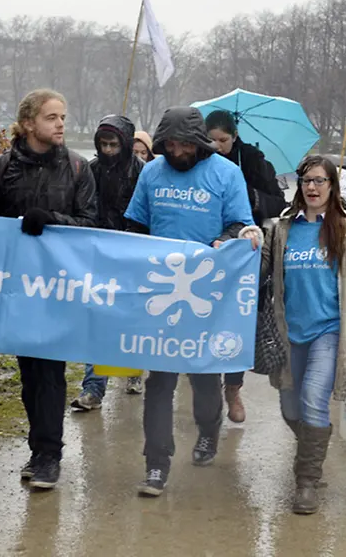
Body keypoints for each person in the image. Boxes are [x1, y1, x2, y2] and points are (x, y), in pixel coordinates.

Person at [125, 106, 260, 497]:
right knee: (159, 382)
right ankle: (156, 463)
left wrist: (227, 238)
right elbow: (135, 225)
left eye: (184, 144)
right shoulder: (152, 172)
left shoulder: (226, 173)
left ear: (199, 142)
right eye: (169, 145)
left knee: (203, 379)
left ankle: (209, 428)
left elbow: (240, 223)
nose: (176, 151)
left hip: (207, 292)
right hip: (160, 292)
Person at [0, 89, 98, 489]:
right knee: (29, 373)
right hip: (16, 285)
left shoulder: (77, 168)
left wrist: (52, 219)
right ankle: (38, 448)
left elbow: (92, 224)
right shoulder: (3, 165)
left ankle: (49, 454)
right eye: (51, 117)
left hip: (58, 286)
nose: (61, 124)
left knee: (50, 371)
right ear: (28, 123)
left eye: (62, 116)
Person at [264, 155, 346, 514]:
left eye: (320, 181)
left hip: (329, 331)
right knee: (290, 408)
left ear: (333, 186)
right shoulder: (282, 228)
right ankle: (312, 452)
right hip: (290, 332)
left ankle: (306, 482)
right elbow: (261, 268)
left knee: (314, 399)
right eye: (306, 181)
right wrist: (247, 238)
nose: (312, 187)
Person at [204, 110, 287, 424]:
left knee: (239, 319)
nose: (217, 146)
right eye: (211, 140)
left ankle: (233, 388)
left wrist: (253, 197)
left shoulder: (253, 160)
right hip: (212, 247)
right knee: (209, 317)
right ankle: (209, 387)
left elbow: (278, 202)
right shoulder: (200, 162)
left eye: (223, 140)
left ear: (234, 137)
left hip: (248, 251)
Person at [71, 115, 146, 412]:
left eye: (114, 144)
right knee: (99, 319)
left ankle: (133, 369)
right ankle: (93, 387)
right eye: (103, 144)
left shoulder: (143, 172)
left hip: (134, 254)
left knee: (130, 318)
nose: (108, 150)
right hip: (99, 254)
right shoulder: (91, 170)